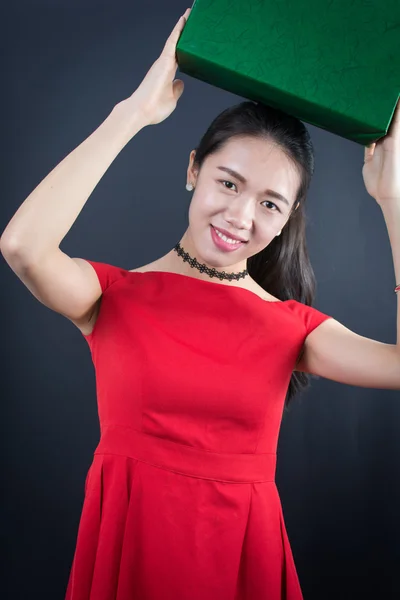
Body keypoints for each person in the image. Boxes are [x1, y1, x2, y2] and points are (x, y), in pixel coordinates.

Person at [1, 7, 400, 600]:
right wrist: (132, 115)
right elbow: (22, 246)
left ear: (289, 217)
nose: (240, 217)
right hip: (129, 548)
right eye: (229, 183)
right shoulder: (112, 296)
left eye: (270, 203)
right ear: (194, 170)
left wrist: (394, 201)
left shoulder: (293, 328)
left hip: (241, 559)